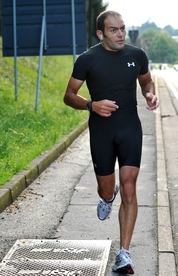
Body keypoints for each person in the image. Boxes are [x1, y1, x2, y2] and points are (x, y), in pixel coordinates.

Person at [63, 10, 159, 274]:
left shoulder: (136, 55)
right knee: (108, 190)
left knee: (130, 187)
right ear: (100, 33)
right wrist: (92, 105)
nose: (120, 34)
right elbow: (69, 95)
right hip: (102, 131)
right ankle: (107, 194)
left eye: (123, 29)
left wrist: (150, 95)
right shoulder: (87, 60)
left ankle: (124, 254)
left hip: (130, 128)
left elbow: (147, 81)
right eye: (114, 30)